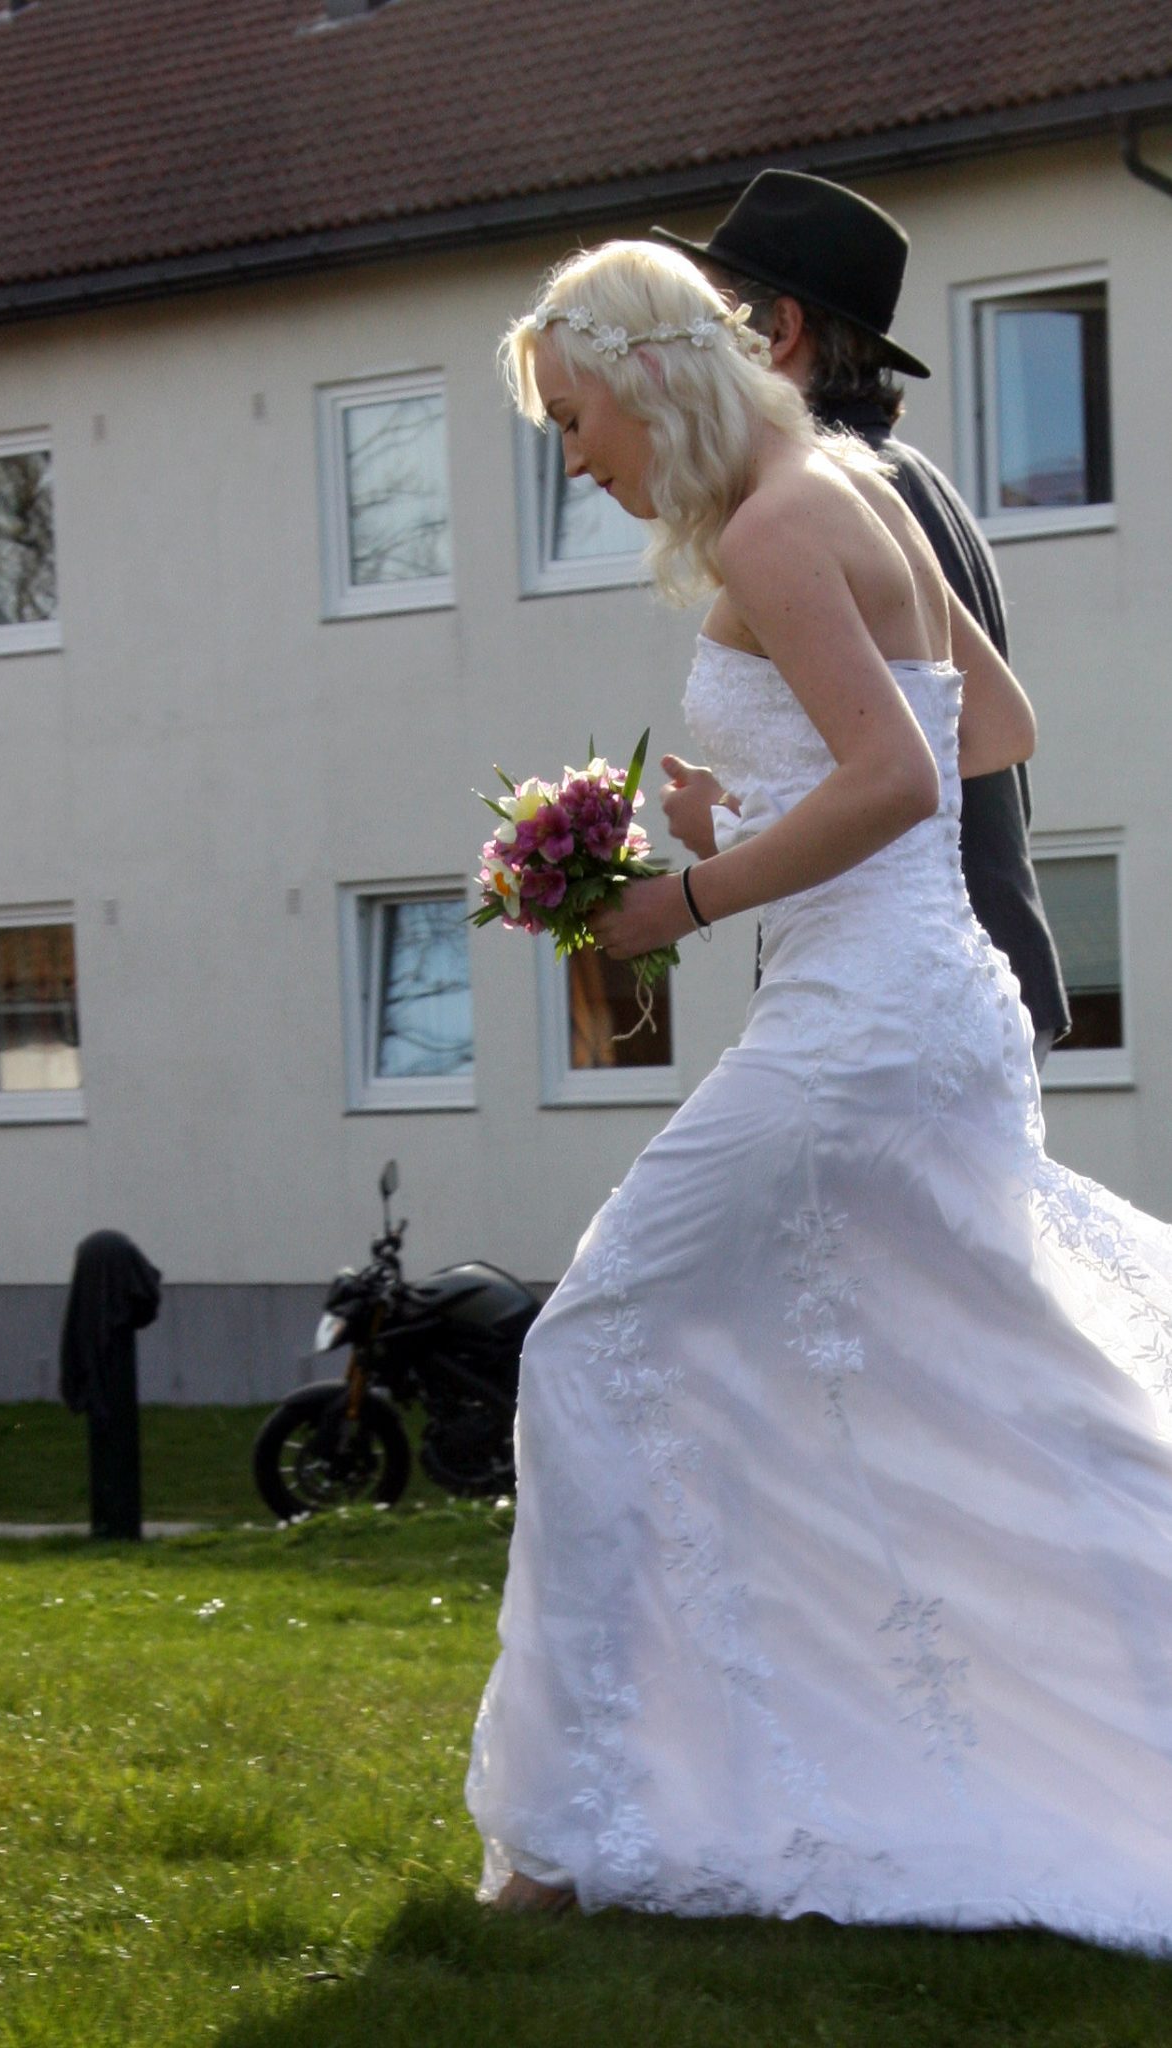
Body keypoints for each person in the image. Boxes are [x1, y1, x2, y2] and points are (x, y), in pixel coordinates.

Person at [465, 238, 1172, 1947]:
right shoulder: (849, 484)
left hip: (861, 1028)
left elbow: (908, 776)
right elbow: (990, 728)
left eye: (573, 420)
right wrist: (754, 801)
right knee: (975, 1398)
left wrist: (681, 898)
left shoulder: (778, 524)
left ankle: (569, 1835)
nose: (575, 459)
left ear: (644, 380)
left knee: (594, 1340)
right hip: (923, 1007)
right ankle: (697, 1784)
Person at [650, 171, 1070, 1064]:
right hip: (942, 978)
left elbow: (924, 765)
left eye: (710, 321)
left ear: (779, 331)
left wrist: (720, 838)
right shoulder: (898, 480)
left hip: (914, 993)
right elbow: (937, 734)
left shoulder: (829, 492)